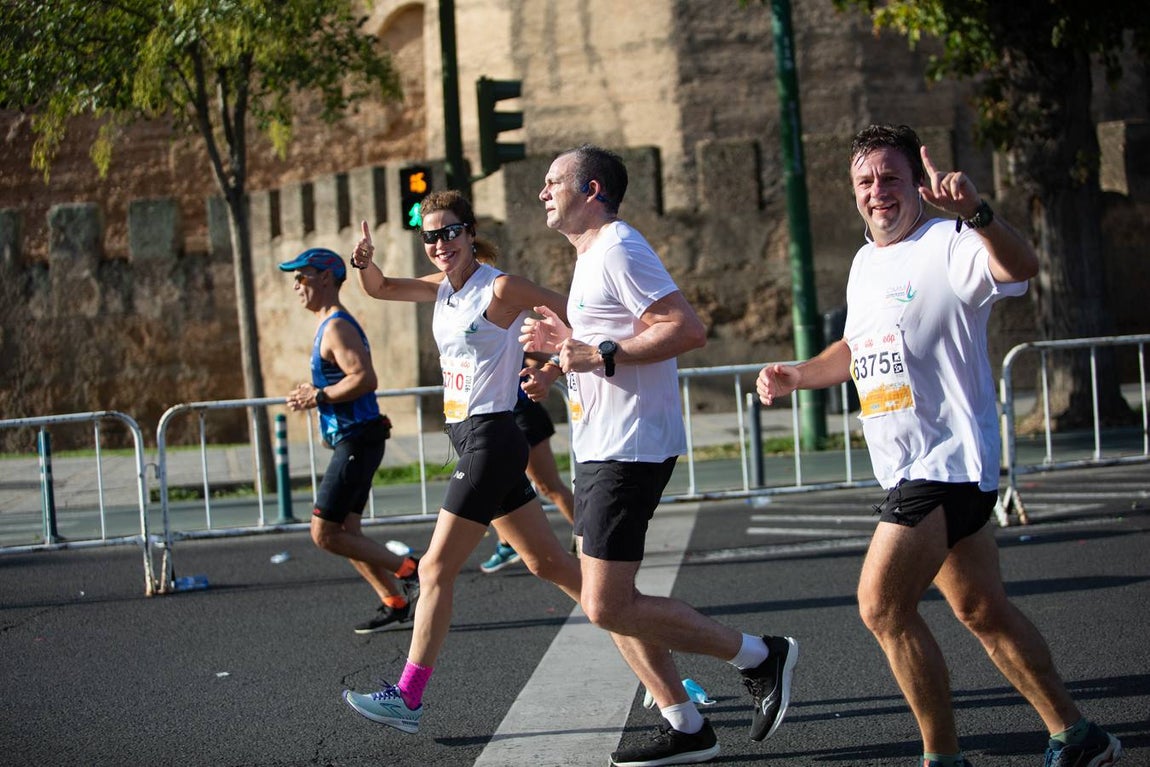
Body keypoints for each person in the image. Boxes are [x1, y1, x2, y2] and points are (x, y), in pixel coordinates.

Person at [756, 124, 1123, 767]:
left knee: (881, 606)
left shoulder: (950, 242)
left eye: (891, 178)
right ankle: (1078, 733)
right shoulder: (867, 261)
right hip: (907, 463)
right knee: (982, 609)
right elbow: (856, 347)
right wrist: (798, 374)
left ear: (917, 184)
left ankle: (942, 756)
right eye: (866, 182)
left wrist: (978, 214)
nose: (878, 193)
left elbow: (1022, 268)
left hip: (945, 462)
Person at [520, 144, 798, 767]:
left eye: (553, 181)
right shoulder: (592, 256)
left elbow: (684, 329)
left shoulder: (619, 245)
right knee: (608, 600)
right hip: (603, 443)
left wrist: (599, 355)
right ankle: (684, 723)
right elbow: (608, 348)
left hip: (630, 448)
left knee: (606, 603)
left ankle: (760, 656)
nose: (542, 192)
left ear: (592, 190)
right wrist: (564, 363)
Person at [340, 192, 583, 734]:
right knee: (552, 567)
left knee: (432, 569)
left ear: (471, 233)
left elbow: (573, 308)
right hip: (471, 439)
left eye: (450, 232)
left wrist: (558, 361)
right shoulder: (443, 290)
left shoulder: (497, 287)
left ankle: (407, 696)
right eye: (430, 236)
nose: (440, 244)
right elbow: (379, 289)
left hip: (492, 439)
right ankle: (662, 666)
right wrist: (365, 263)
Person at [279, 248, 420, 634]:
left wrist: (319, 396)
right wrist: (315, 389)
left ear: (326, 277)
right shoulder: (328, 325)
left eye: (302, 276)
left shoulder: (337, 326)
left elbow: (365, 378)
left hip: (359, 439)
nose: (296, 285)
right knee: (348, 534)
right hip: (355, 438)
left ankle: (413, 571)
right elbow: (344, 378)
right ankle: (394, 601)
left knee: (325, 533)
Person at [481, 352, 578, 574]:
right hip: (494, 418)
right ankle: (507, 544)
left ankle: (592, 540)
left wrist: (543, 369)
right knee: (494, 487)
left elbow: (538, 350)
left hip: (522, 413)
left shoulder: (502, 323)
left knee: (549, 487)